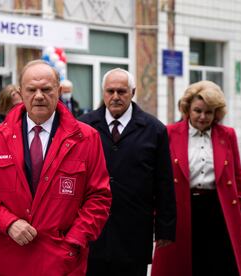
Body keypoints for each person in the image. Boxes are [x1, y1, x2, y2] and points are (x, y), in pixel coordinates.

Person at [0, 60, 112, 275]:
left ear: (58, 91)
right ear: (20, 92)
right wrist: (8, 223)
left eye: (46, 89)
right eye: (31, 89)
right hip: (11, 258)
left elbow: (99, 197)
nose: (38, 96)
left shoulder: (86, 138)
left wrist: (74, 241)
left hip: (62, 261)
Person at [79, 68, 176, 276]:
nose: (115, 97)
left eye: (121, 92)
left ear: (133, 92)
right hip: (92, 229)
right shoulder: (84, 126)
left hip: (134, 230)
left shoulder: (154, 129)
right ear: (103, 93)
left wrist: (165, 228)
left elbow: (164, 182)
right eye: (110, 91)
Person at [151, 81, 241, 276]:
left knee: (217, 265)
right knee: (182, 266)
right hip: (181, 208)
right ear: (187, 108)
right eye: (198, 111)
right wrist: (158, 219)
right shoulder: (169, 133)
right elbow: (159, 179)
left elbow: (238, 178)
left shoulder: (227, 135)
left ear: (217, 113)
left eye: (209, 112)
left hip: (218, 210)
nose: (203, 117)